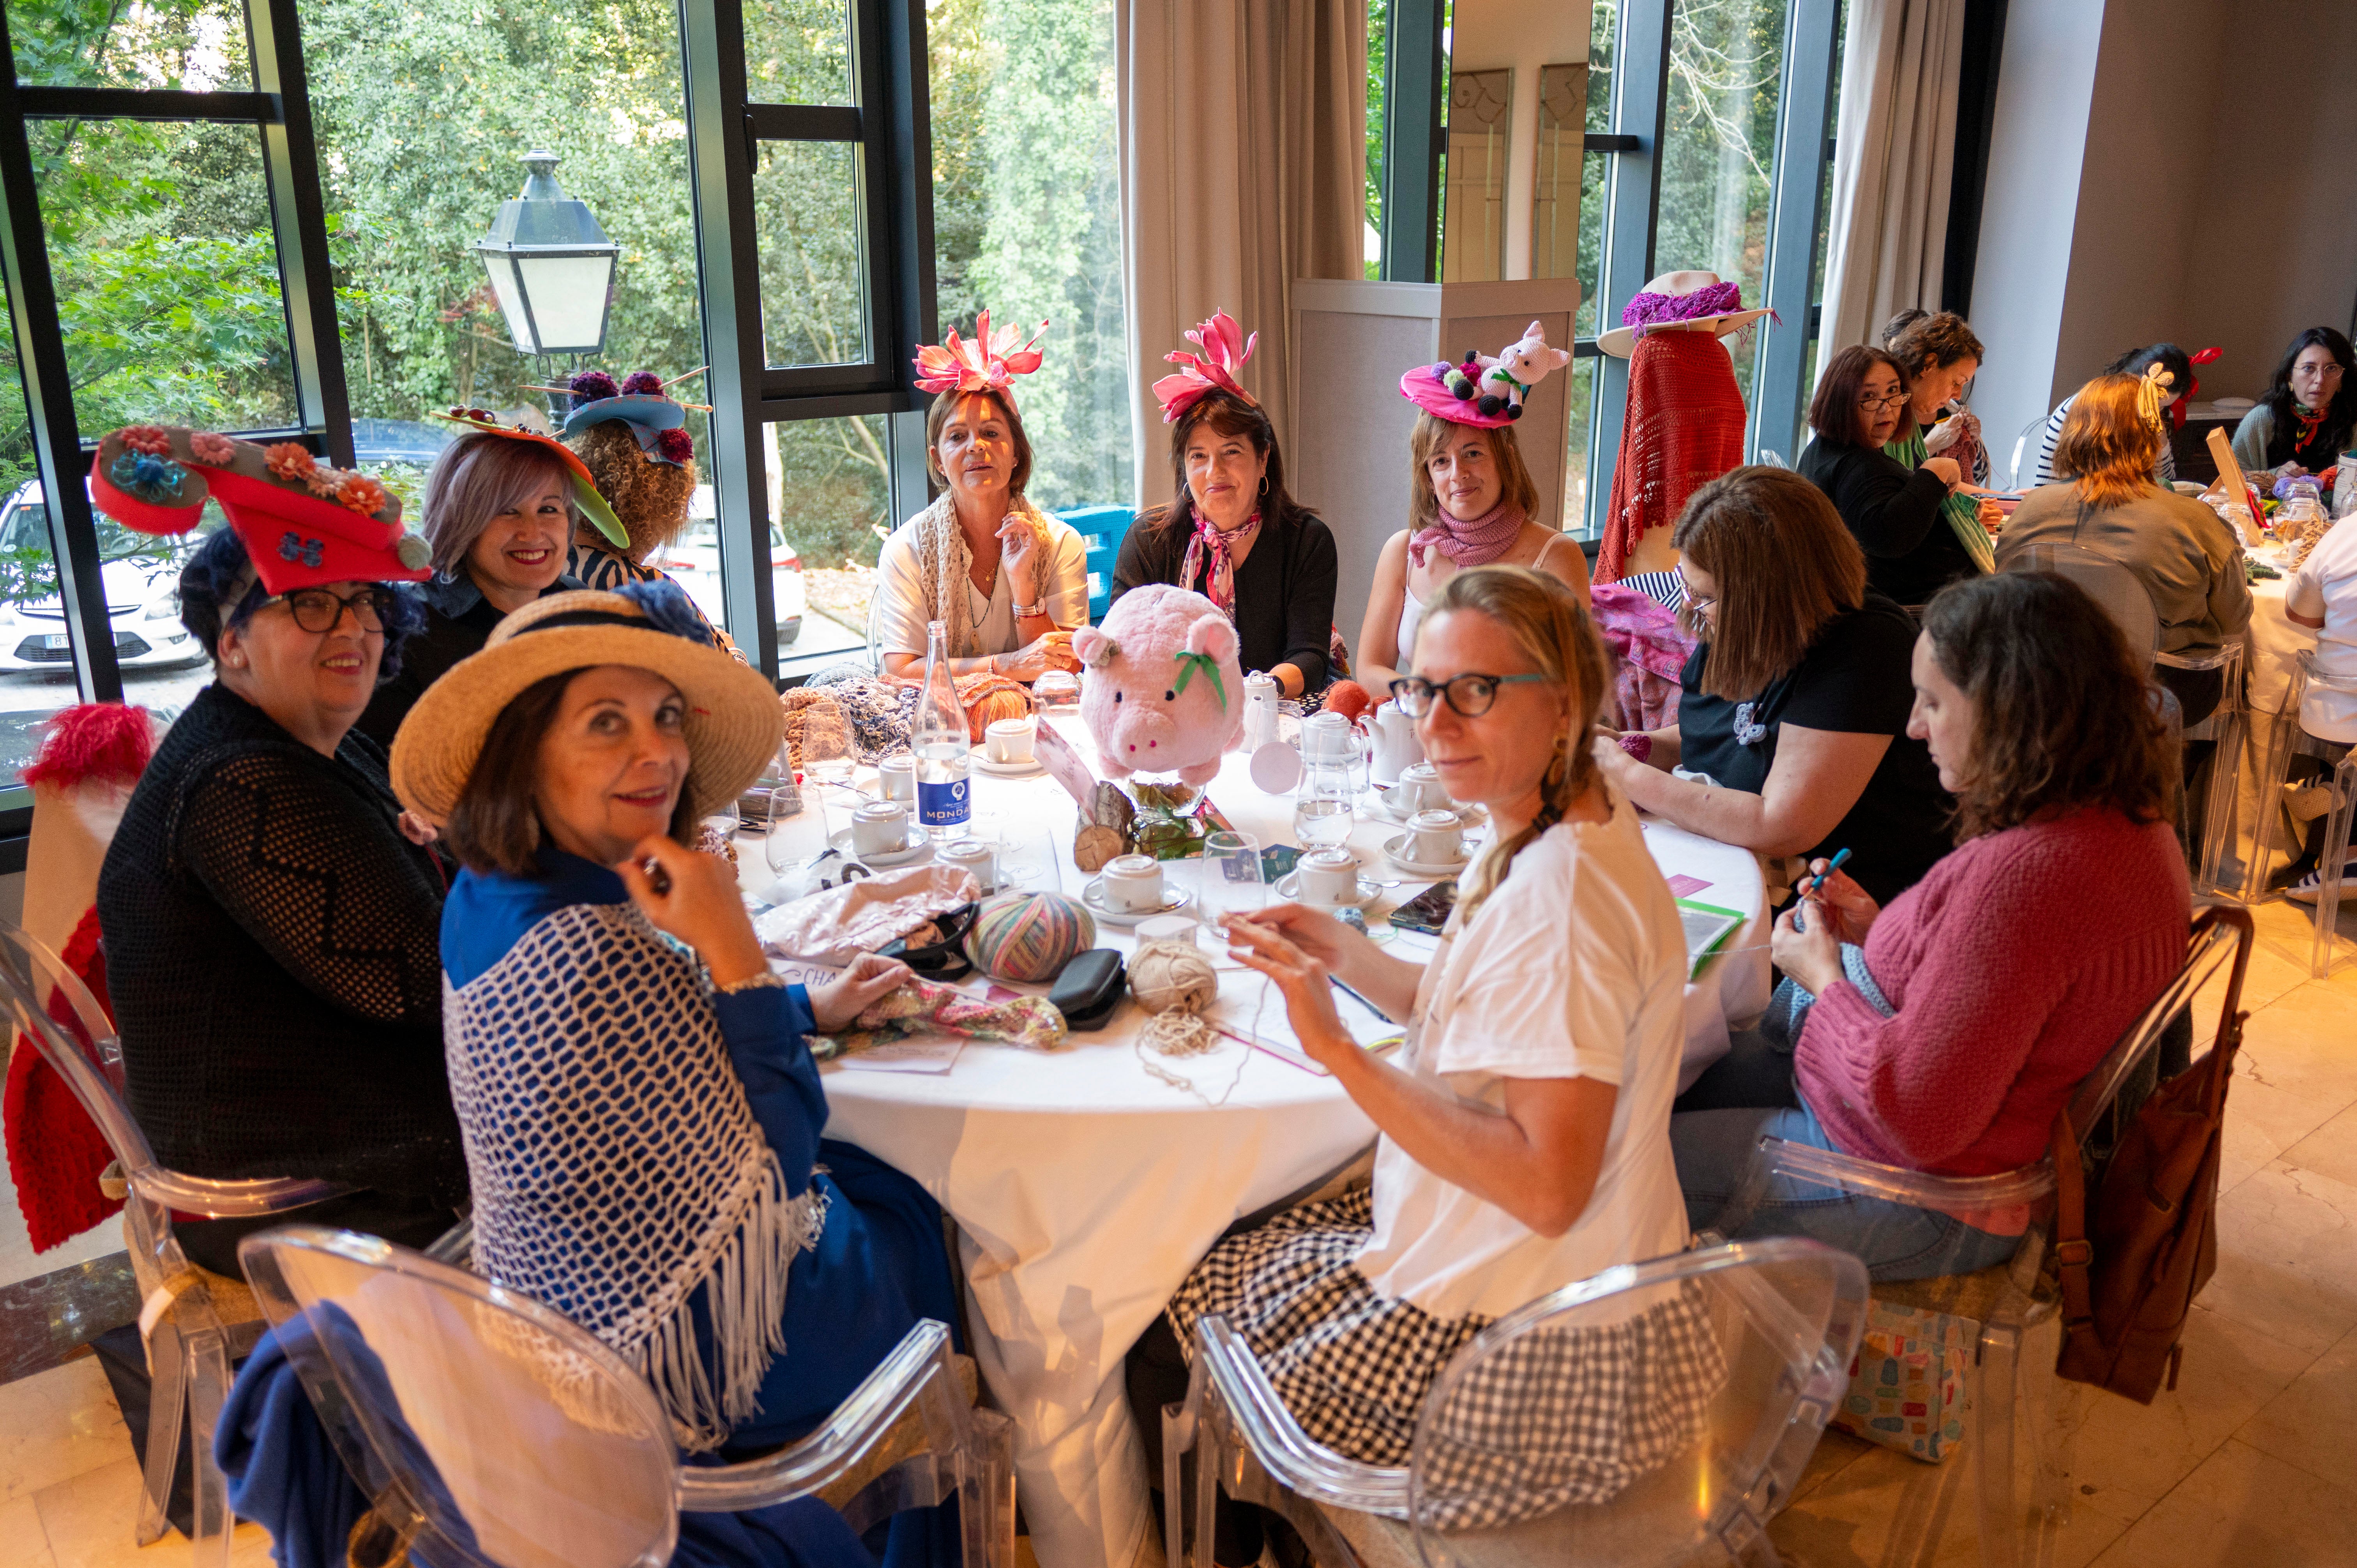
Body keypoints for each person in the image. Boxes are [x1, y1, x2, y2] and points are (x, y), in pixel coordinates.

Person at [1125, 566, 1714, 1566]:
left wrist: (1339, 1050)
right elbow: (1478, 1009)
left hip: (1529, 1353)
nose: (1437, 721)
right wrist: (1345, 950)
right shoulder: (1568, 819)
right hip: (1584, 1290)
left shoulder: (1560, 903)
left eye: (1476, 690)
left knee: (1154, 1322)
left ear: (1566, 699)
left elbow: (1547, 1183)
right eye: (1423, 687)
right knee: (1241, 1234)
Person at [392, 581, 960, 1561]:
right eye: (604, 723)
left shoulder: (489, 890)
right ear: (523, 752)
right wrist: (738, 949)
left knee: (880, 1173)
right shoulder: (593, 950)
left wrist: (801, 1004)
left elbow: (650, 1064)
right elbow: (775, 1161)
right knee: (920, 1211)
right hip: (677, 1348)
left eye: (664, 716)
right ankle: (924, 1505)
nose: (654, 751)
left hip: (555, 1301)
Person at [1670, 572, 2190, 1278]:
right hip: (1956, 1142)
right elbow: (2001, 996)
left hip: (1927, 1193)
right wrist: (1880, 932)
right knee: (1674, 1083)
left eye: (1933, 702)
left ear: (2012, 711)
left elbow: (1917, 1115)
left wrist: (1823, 978)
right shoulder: (2128, 825)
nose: (1913, 727)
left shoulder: (2025, 879)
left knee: (1624, 1163)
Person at [87, 426, 463, 1277]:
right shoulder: (243, 779)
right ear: (231, 642)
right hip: (298, 1195)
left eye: (365, 600)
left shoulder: (319, 741)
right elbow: (423, 982)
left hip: (326, 1125)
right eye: (308, 601)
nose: (352, 626)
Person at [1595, 467, 1951, 906]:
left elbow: (1782, 825)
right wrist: (1634, 745)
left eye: (1705, 596)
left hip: (1849, 903)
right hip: (1741, 871)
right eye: (1687, 587)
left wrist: (1630, 776)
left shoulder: (1867, 646)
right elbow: (1710, 732)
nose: (1693, 607)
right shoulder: (1735, 624)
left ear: (1766, 594)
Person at [1998, 372, 2252, 729]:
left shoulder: (2030, 509)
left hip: (2045, 683)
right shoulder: (2195, 519)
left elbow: (2005, 595)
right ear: (2153, 435)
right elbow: (2235, 621)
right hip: (2159, 691)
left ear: (2073, 431)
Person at [1113, 311, 1340, 697]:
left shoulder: (1307, 541)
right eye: (1198, 456)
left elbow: (1309, 655)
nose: (1214, 471)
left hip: (1271, 708)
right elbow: (1121, 641)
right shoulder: (1149, 541)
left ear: (1263, 458)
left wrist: (1244, 698)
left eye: (1231, 451)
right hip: (1169, 709)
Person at [1353, 351, 1591, 696]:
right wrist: (1437, 697)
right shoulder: (1404, 552)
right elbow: (1369, 670)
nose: (1458, 474)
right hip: (1419, 733)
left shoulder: (1557, 557)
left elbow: (1576, 686)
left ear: (1505, 459)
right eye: (1440, 461)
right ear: (1427, 477)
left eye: (1473, 453)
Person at [873, 313, 1089, 680]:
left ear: (1017, 452)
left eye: (991, 433)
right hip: (943, 729)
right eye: (957, 437)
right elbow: (899, 672)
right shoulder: (906, 550)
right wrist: (1005, 666)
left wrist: (1024, 588)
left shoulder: (1059, 543)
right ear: (938, 460)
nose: (976, 447)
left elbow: (1068, 665)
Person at [354, 424, 588, 747]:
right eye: (507, 511)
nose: (532, 532)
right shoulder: (403, 628)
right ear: (460, 520)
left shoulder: (582, 606)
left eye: (548, 509)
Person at [1798, 344, 1973, 606]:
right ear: (1841, 402)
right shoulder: (1858, 465)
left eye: (1893, 392)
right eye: (1869, 397)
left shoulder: (1826, 449)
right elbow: (1889, 538)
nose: (1886, 408)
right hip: (1916, 615)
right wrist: (1934, 472)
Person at [1881, 311, 2004, 591]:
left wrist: (2005, 497)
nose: (1958, 394)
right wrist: (1969, 512)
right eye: (1957, 381)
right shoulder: (1887, 421)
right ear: (1929, 364)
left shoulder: (1907, 419)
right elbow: (1903, 506)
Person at [2283, 498, 2357, 901]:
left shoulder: (2347, 533)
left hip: (2338, 708)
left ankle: (2336, 786)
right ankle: (2337, 787)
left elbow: (2299, 615)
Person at [2029, 343, 2201, 489]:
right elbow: (2047, 486)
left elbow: (2167, 485)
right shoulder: (2078, 409)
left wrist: (2162, 446)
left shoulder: (2157, 419)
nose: (2153, 412)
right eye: (2148, 403)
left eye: (2162, 407)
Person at [2231, 327, 2357, 480]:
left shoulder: (2352, 424)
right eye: (2309, 368)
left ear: (2342, 381)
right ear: (2289, 376)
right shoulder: (2262, 419)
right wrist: (2274, 476)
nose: (2320, 380)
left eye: (2331, 369)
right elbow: (2233, 480)